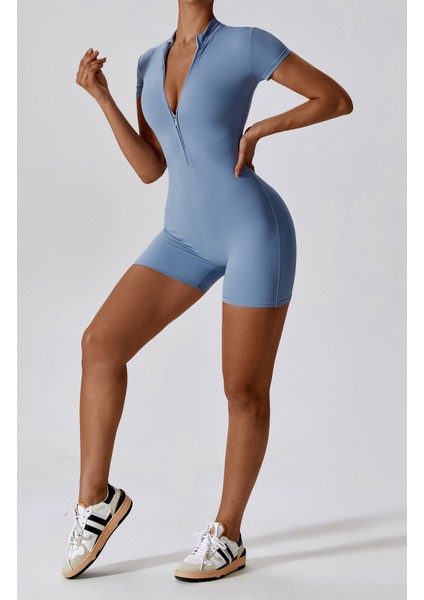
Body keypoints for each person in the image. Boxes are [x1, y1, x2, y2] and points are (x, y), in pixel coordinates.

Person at [63, 0, 353, 583]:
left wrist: (260, 129)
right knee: (101, 344)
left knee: (243, 389)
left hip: (253, 232)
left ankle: (228, 534)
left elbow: (334, 98)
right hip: (183, 237)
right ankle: (96, 501)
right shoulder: (149, 62)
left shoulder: (247, 44)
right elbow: (151, 168)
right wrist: (103, 98)